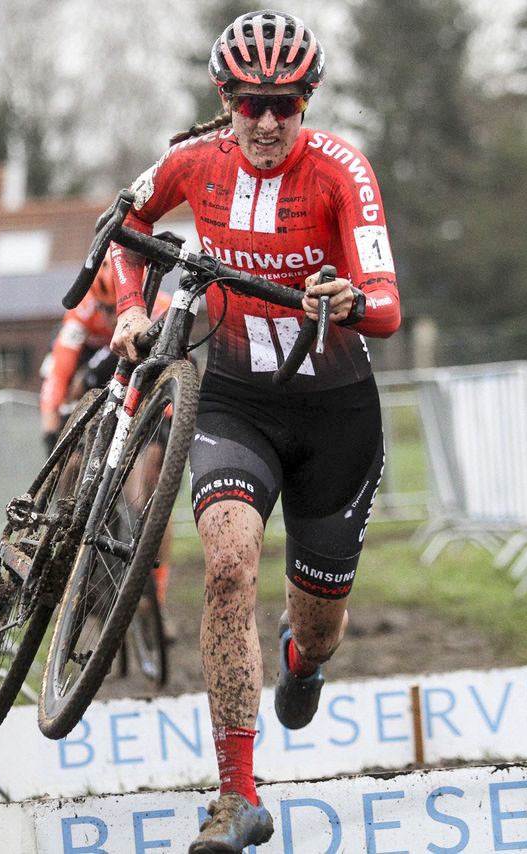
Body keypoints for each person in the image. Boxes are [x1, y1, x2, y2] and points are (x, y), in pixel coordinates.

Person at [108, 10, 401, 851]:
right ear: (224, 101)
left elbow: (387, 301)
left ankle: (304, 662)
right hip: (236, 400)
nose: (268, 122)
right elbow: (122, 230)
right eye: (250, 105)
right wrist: (131, 312)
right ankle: (238, 797)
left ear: (306, 100)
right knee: (229, 565)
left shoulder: (343, 170)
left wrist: (349, 298)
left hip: (334, 414)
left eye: (284, 104)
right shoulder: (193, 163)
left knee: (318, 625)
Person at [40, 249, 175, 612]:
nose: (105, 317)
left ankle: (156, 594)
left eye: (110, 309)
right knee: (68, 469)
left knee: (150, 489)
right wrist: (52, 426)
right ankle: (72, 570)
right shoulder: (81, 314)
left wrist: (168, 417)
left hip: (149, 396)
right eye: (101, 309)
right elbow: (58, 375)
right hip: (97, 387)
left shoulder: (159, 307)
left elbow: (177, 374)